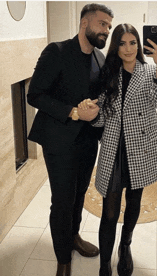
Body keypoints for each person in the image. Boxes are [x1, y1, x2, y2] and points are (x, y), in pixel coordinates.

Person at [78, 23, 157, 276]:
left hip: (141, 148)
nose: (129, 48)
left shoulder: (150, 71)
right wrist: (91, 115)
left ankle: (125, 246)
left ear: (139, 45)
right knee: (109, 211)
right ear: (116, 46)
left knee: (134, 202)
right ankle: (104, 265)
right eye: (122, 43)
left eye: (133, 42)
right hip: (113, 147)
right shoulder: (108, 73)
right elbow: (102, 118)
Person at [27, 4, 113, 276]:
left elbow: (100, 99)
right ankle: (63, 258)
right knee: (62, 200)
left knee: (78, 196)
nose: (106, 31)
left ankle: (73, 236)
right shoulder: (57, 51)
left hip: (88, 142)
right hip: (59, 141)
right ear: (84, 23)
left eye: (109, 26)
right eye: (102, 24)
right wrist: (73, 111)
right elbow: (34, 95)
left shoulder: (100, 59)